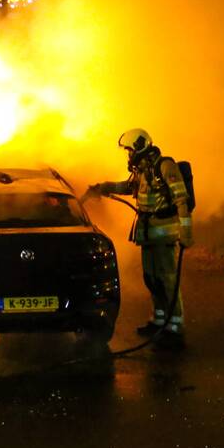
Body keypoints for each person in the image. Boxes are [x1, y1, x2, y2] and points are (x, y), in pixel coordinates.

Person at [89, 128, 193, 349]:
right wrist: (104, 187)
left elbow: (181, 200)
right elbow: (128, 187)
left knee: (167, 279)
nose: (128, 155)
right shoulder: (142, 171)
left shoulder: (165, 167)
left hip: (164, 233)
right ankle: (159, 319)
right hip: (147, 234)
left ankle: (175, 323)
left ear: (139, 146)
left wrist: (186, 233)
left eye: (128, 150)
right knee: (151, 278)